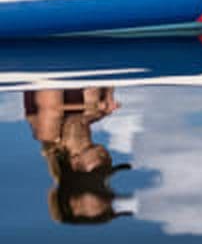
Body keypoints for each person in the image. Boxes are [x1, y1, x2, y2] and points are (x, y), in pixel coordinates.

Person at [25, 87, 132, 224]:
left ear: (75, 163)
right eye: (107, 169)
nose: (108, 161)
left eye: (99, 168)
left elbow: (48, 89)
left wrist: (93, 106)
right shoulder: (93, 114)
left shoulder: (49, 134)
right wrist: (108, 95)